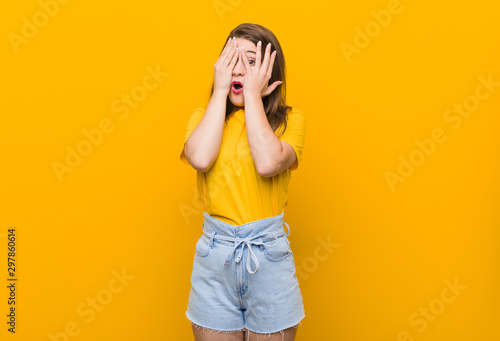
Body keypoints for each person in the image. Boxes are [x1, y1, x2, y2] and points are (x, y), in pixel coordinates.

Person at [180, 23, 306, 341]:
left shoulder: (292, 122)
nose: (239, 69)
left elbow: (267, 163)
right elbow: (200, 159)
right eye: (231, 59)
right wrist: (221, 91)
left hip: (269, 257)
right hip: (215, 254)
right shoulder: (203, 118)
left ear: (270, 73)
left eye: (251, 61)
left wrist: (251, 95)